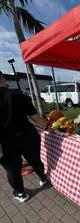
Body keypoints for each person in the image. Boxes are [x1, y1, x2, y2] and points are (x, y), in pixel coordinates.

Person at [0, 71, 49, 202]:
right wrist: (46, 127)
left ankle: (20, 193)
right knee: (35, 160)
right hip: (27, 136)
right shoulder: (17, 95)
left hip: (4, 143)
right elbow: (36, 118)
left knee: (13, 170)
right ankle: (43, 179)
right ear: (1, 78)